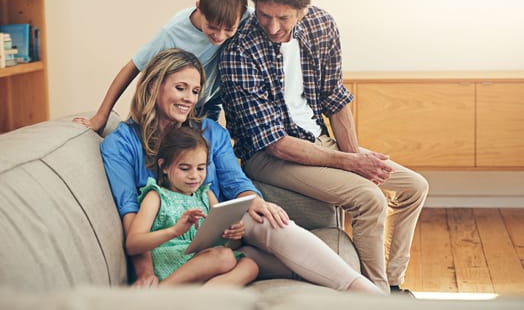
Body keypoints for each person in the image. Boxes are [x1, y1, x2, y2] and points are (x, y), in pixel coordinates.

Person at [219, 0, 429, 295]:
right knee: (369, 199)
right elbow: (274, 143)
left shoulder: (321, 25)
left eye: (283, 18)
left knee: (414, 187)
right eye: (263, 15)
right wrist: (352, 164)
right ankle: (376, 297)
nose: (272, 27)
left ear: (302, 11)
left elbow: (335, 99)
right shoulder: (240, 49)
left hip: (317, 140)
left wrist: (354, 157)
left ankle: (393, 282)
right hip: (269, 156)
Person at [101, 48, 382, 294]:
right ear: (153, 87)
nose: (188, 99)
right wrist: (145, 273)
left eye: (195, 91)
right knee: (258, 260)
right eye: (180, 88)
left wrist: (254, 199)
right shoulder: (121, 144)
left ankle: (362, 290)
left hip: (219, 228)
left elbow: (234, 181)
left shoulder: (210, 132)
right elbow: (130, 212)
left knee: (271, 221)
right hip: (168, 241)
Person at [74, 0, 250, 131]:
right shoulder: (172, 33)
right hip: (166, 106)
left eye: (228, 29)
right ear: (198, 8)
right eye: (212, 27)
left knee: (204, 151)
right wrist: (101, 117)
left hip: (205, 103)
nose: (219, 36)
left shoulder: (242, 15)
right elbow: (132, 67)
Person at [126, 125, 258, 286]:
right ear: (164, 166)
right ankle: (162, 291)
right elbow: (133, 244)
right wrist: (173, 231)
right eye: (184, 168)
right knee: (224, 257)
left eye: (201, 168)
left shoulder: (206, 195)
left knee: (250, 266)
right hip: (171, 262)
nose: (194, 176)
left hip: (201, 260)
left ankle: (202, 298)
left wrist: (233, 234)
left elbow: (223, 243)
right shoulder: (156, 196)